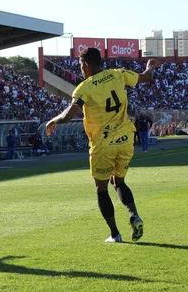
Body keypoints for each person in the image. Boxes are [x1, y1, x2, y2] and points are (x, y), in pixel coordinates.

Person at [45, 47, 159, 243]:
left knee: (101, 188)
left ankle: (115, 233)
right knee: (119, 181)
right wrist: (149, 66)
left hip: (103, 144)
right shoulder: (118, 74)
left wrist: (53, 120)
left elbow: (69, 114)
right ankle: (134, 215)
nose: (81, 70)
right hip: (126, 139)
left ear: (87, 65)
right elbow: (145, 77)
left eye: (81, 66)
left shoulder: (84, 88)